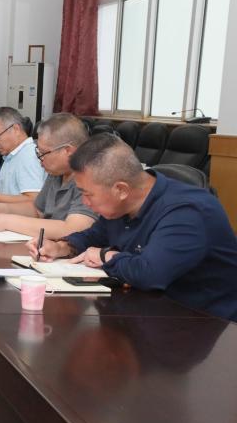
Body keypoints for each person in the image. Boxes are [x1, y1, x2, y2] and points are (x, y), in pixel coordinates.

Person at [29, 134, 237, 321]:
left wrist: (106, 257)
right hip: (143, 311)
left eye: (88, 194)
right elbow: (95, 235)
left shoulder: (187, 211)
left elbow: (151, 273)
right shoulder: (121, 206)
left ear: (121, 190)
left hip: (202, 324)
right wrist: (63, 247)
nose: (84, 202)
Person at [0, 113, 96, 239]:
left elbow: (72, 229)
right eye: (38, 152)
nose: (40, 159)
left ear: (68, 151)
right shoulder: (57, 172)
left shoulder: (90, 177)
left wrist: (5, 221)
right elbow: (37, 211)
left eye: (43, 153)